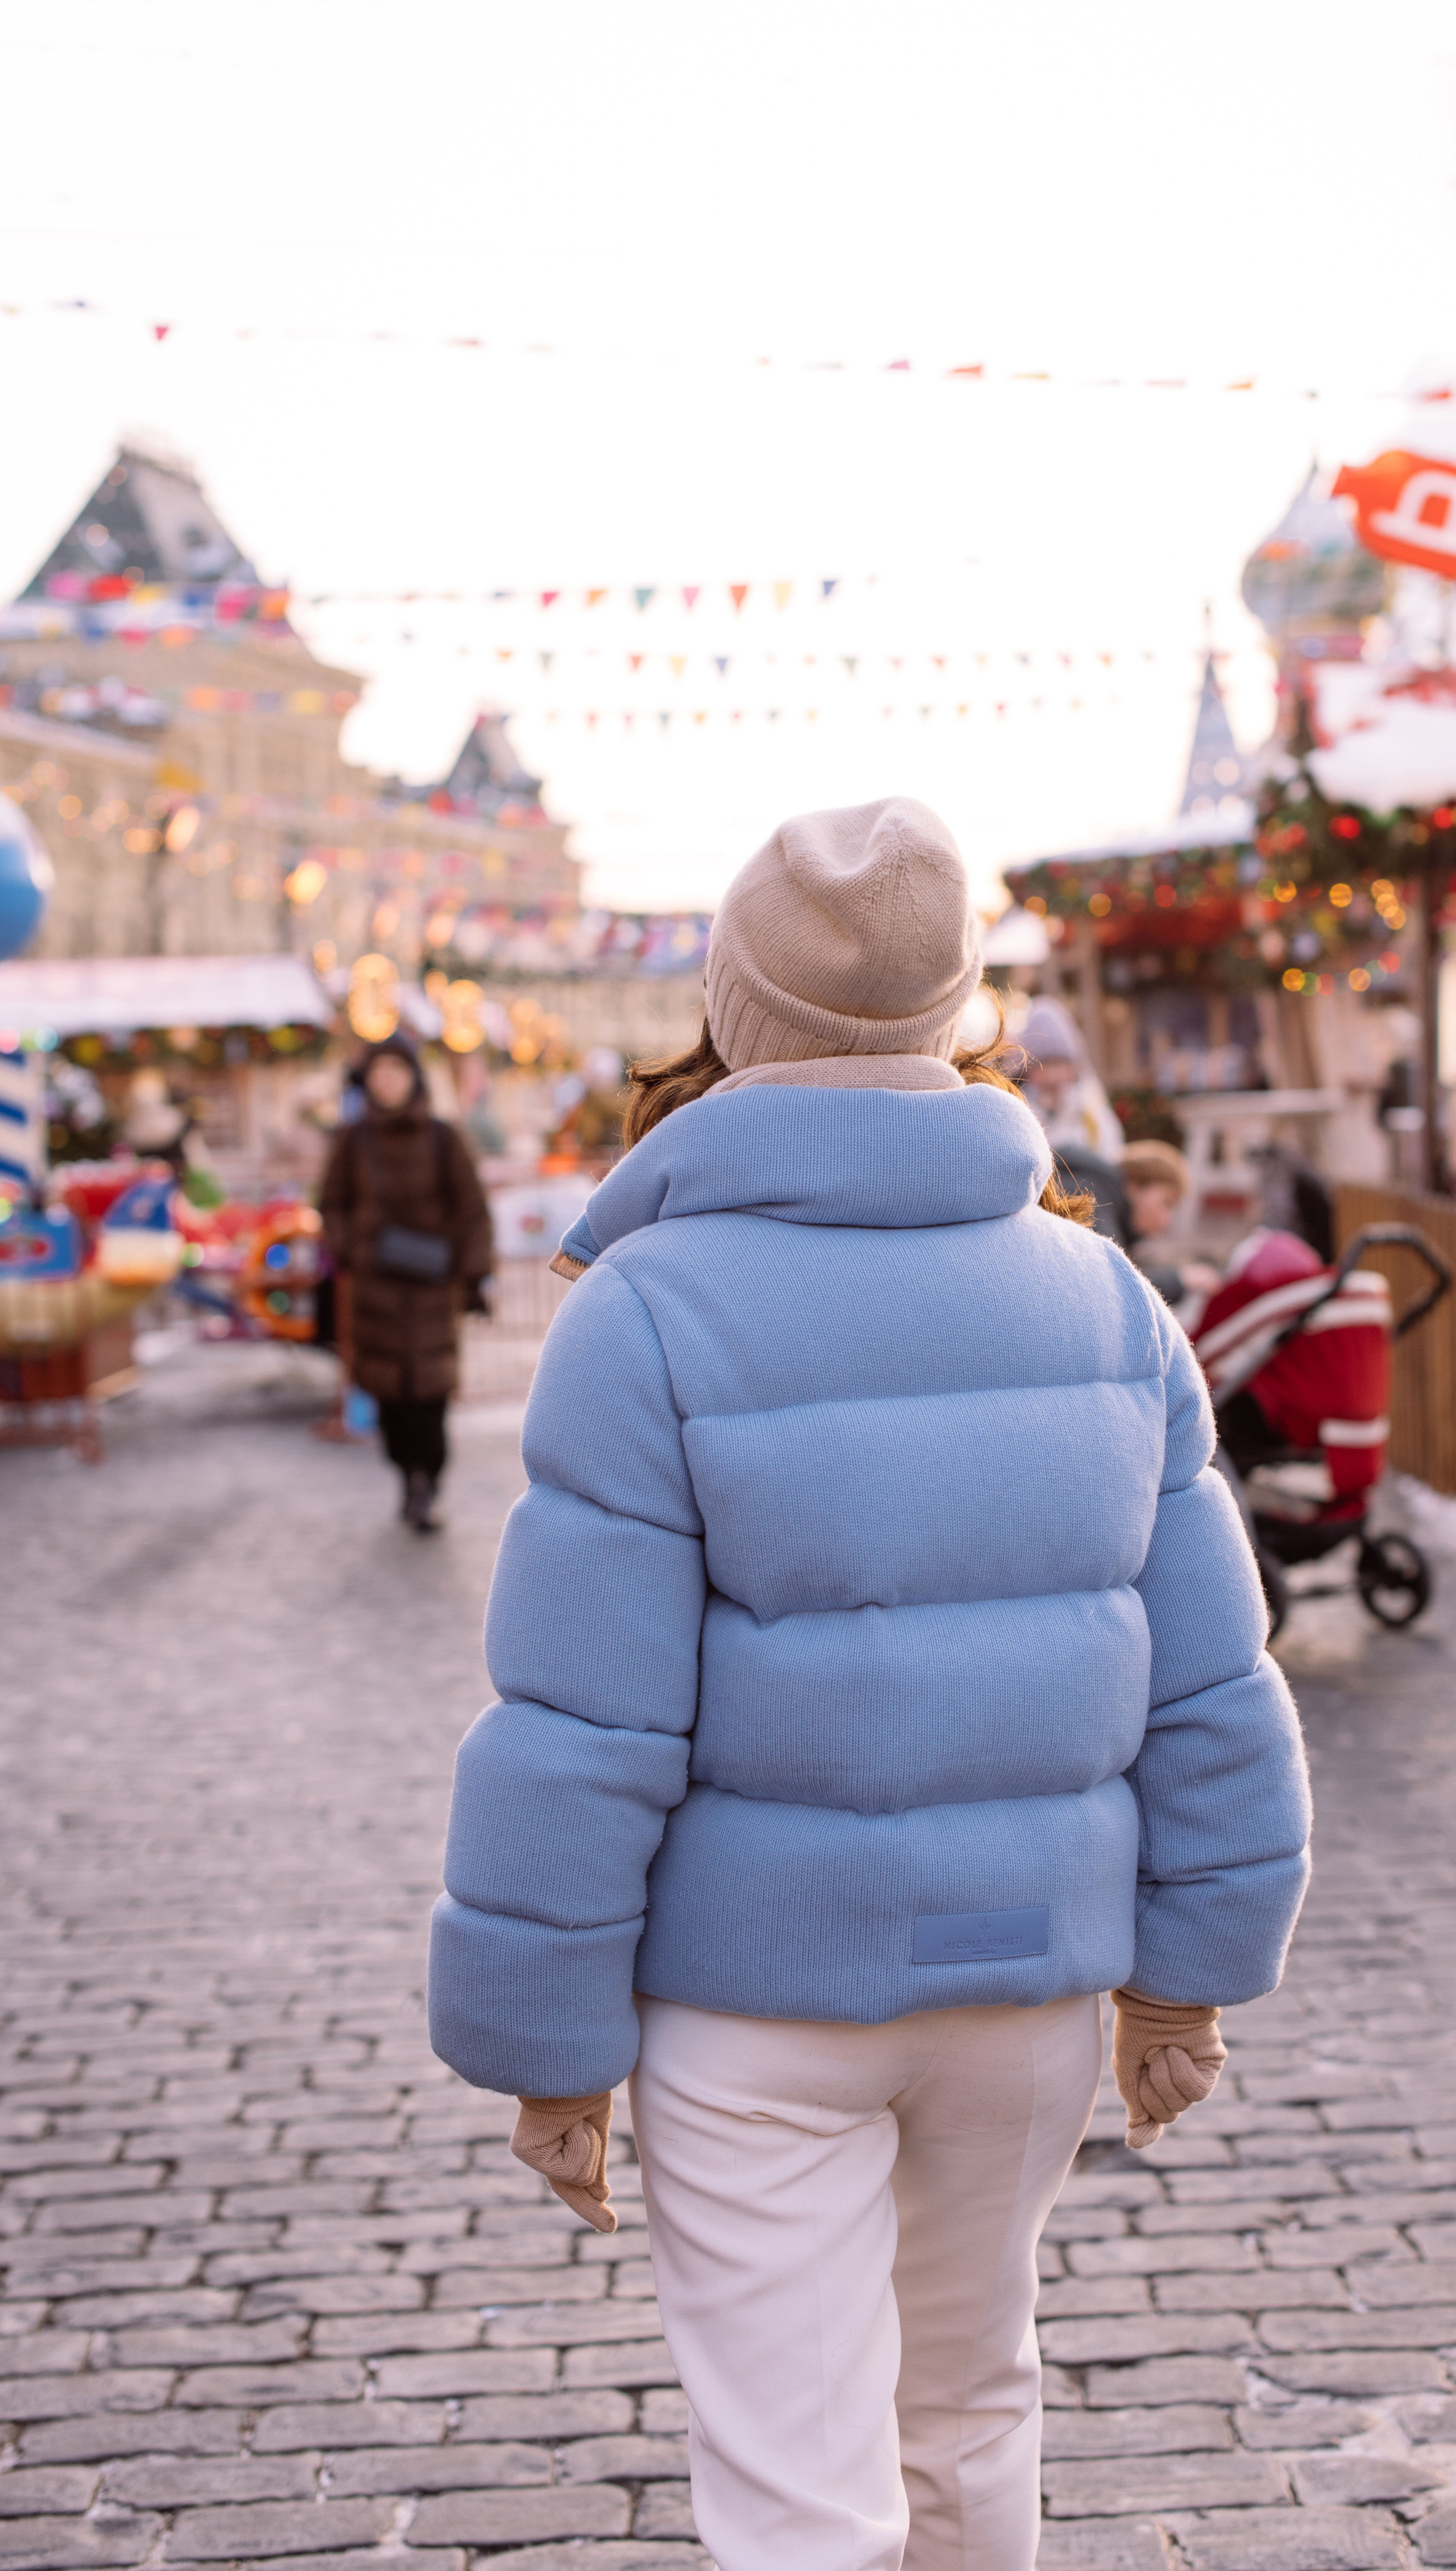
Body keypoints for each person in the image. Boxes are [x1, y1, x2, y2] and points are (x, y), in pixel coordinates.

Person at [429, 798, 1310, 2570]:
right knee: (976, 2411)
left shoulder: (651, 1310)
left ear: (733, 1013)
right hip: (1026, 1984)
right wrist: (1184, 1977)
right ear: (954, 1011)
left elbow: (587, 1719)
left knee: (797, 2488)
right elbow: (1215, 1679)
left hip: (759, 1998)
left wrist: (547, 2044)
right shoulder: (1104, 1296)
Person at [318, 1034, 494, 1532]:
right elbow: (331, 1203)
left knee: (430, 1398)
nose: (387, 1080)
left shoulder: (443, 1136)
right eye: (379, 1071)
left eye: (396, 1070)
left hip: (433, 1288)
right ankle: (406, 1474)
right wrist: (353, 1249)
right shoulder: (353, 1139)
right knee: (391, 1400)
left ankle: (427, 1483)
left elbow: (472, 1210)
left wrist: (475, 1271)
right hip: (376, 1289)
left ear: (414, 1077)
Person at [1016, 991, 1125, 1157]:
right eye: (1042, 1065)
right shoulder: (1019, 1112)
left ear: (1074, 1067)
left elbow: (1112, 1153)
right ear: (1026, 1071)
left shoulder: (1090, 1108)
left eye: (1060, 1064)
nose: (1052, 1075)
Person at [1119, 1137, 1220, 1310]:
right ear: (1135, 1187)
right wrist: (1181, 1279)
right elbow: (1115, 1284)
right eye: (1166, 1203)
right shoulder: (1097, 1205)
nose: (1167, 1219)